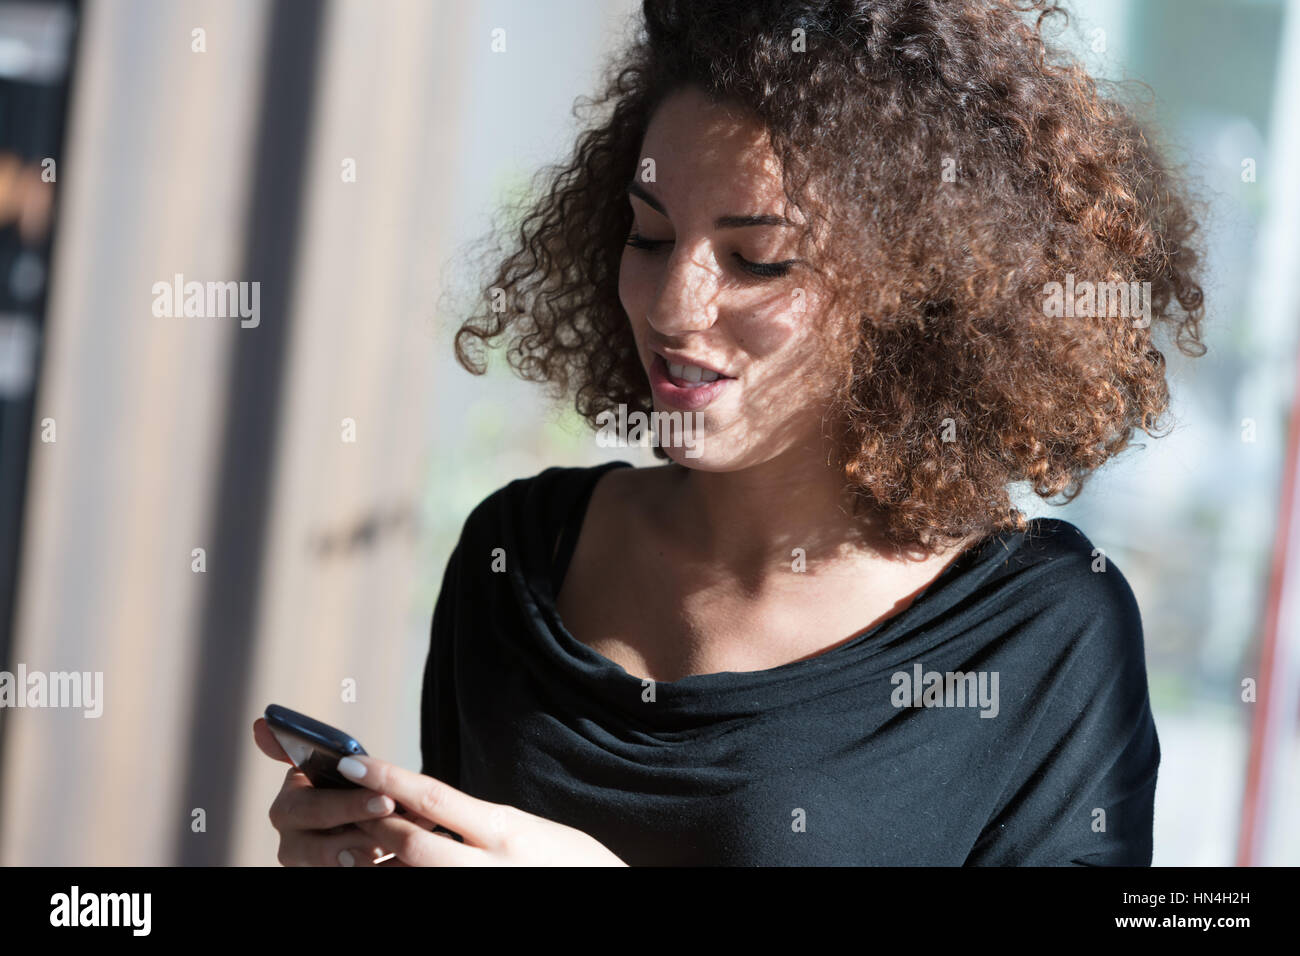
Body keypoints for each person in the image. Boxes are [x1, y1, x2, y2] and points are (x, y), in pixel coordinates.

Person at [255, 0, 1206, 866]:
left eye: (760, 261)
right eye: (649, 235)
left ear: (917, 294)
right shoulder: (516, 555)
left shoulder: (1039, 635)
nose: (674, 304)